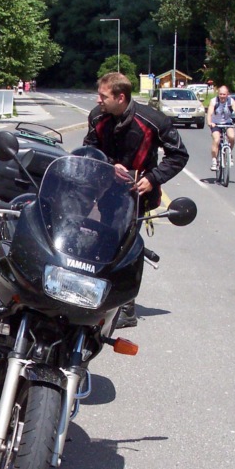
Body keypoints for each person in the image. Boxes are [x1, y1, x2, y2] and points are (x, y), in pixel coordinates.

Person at [83, 72, 189, 328]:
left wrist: (152, 178)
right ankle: (94, 293)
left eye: (103, 96)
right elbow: (89, 150)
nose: (98, 100)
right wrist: (109, 164)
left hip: (137, 194)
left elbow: (179, 155)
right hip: (105, 191)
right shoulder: (97, 117)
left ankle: (127, 308)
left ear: (120, 97)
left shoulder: (153, 120)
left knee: (125, 246)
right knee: (99, 241)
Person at [206, 82, 235, 171]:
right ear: (218, 94)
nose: (222, 96)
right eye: (220, 94)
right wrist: (209, 122)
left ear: (227, 94)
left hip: (227, 123)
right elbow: (209, 113)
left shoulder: (231, 101)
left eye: (224, 94)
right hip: (216, 123)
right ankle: (214, 160)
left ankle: (229, 153)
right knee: (216, 139)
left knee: (232, 137)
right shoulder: (214, 101)